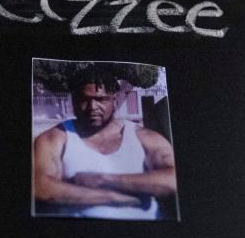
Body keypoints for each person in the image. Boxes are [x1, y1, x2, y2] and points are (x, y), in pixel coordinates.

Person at [32, 67, 177, 220]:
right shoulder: (56, 138)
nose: (92, 107)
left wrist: (103, 180)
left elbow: (173, 180)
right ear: (74, 101)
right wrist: (113, 197)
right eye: (84, 100)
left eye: (101, 100)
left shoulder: (143, 137)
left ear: (115, 100)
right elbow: (40, 187)